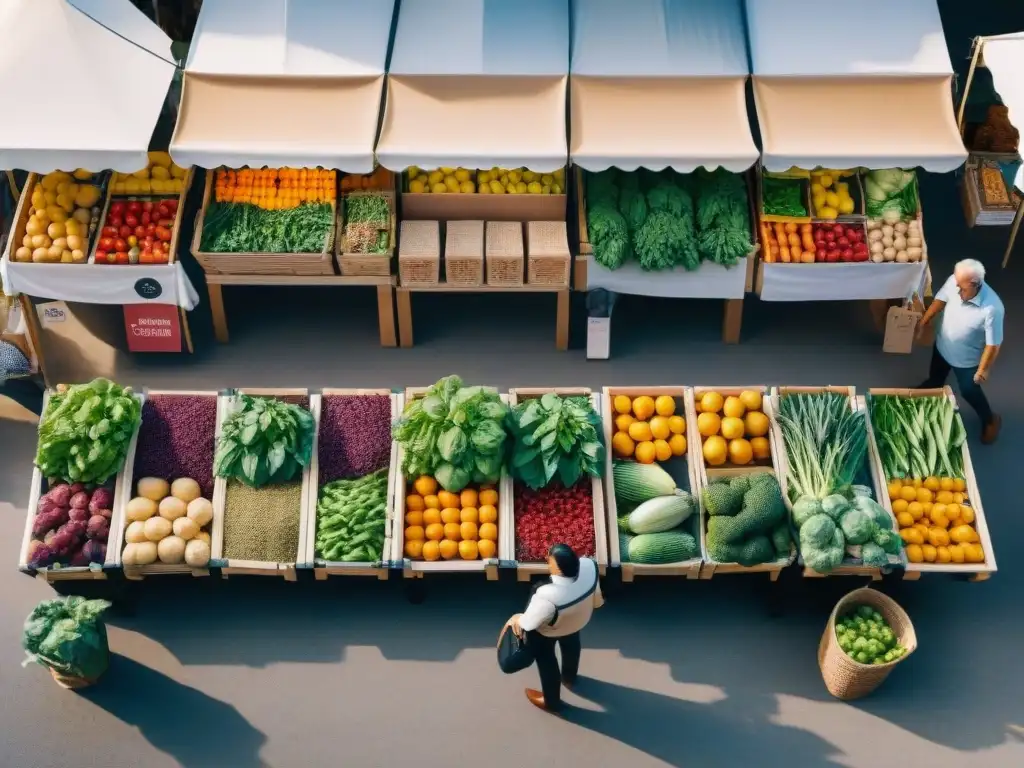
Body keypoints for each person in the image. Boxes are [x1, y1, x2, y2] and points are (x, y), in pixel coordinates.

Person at [506, 543, 604, 713]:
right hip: (576, 622)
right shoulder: (589, 569)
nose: (547, 561)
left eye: (549, 561)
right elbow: (597, 599)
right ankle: (569, 677)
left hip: (549, 630)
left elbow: (529, 623)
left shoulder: (547, 595)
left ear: (558, 569)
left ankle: (552, 702)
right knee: (571, 647)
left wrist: (516, 618)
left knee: (547, 661)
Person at [916, 258, 1003, 444]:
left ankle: (990, 419)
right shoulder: (956, 281)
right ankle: (933, 386)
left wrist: (983, 369)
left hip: (966, 360)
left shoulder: (993, 309)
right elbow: (940, 300)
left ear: (975, 284)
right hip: (942, 346)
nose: (957, 290)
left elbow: (993, 344)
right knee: (935, 376)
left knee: (968, 390)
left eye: (962, 289)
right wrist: (924, 321)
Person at [0, 340, 44, 417]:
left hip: (22, 380)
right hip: (23, 379)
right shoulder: (6, 347)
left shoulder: (7, 352)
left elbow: (20, 371)